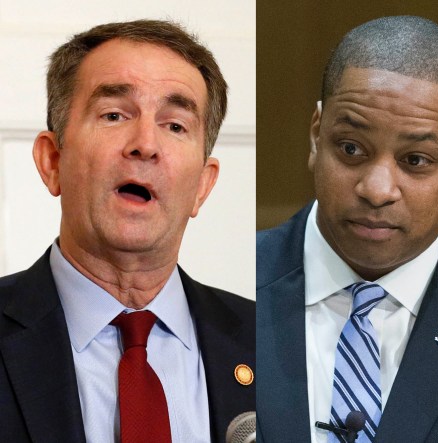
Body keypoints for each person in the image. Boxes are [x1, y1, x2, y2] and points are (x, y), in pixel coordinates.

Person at [256, 16, 438, 442]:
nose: (376, 190)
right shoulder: (232, 292)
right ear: (317, 136)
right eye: (351, 148)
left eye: (415, 160)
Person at [0, 20, 254, 442]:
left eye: (175, 125)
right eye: (114, 115)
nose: (145, 144)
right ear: (52, 161)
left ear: (202, 186)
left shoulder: (269, 340)